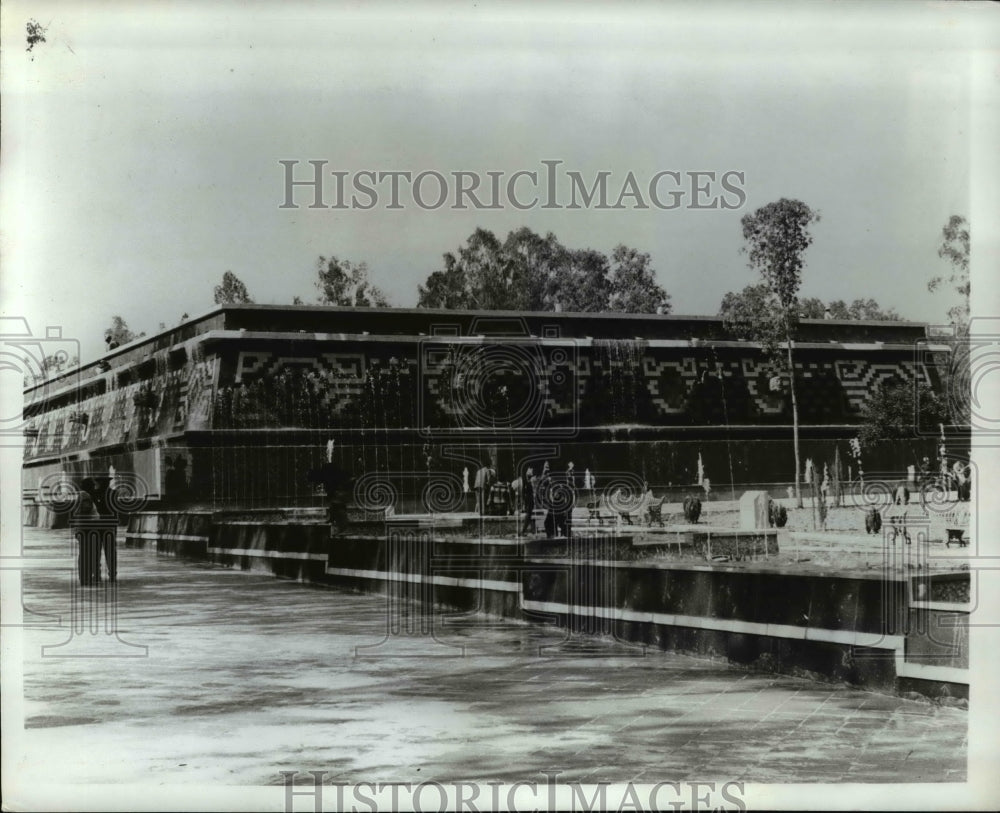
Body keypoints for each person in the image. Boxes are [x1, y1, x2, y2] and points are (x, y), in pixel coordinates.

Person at [521, 467, 536, 534]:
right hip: (530, 500)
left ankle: (532, 530)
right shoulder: (528, 482)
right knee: (529, 515)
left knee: (529, 515)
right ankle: (524, 530)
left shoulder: (526, 482)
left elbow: (523, 492)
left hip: (528, 500)